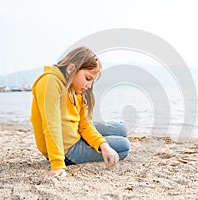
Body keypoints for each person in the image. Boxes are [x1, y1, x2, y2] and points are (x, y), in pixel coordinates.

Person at [30, 46, 130, 178]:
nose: (88, 85)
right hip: (67, 149)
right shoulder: (50, 82)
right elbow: (51, 124)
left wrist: (103, 146)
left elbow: (84, 125)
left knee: (121, 129)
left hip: (74, 132)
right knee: (124, 146)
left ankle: (96, 142)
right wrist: (57, 164)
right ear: (71, 69)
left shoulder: (76, 89)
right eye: (87, 79)